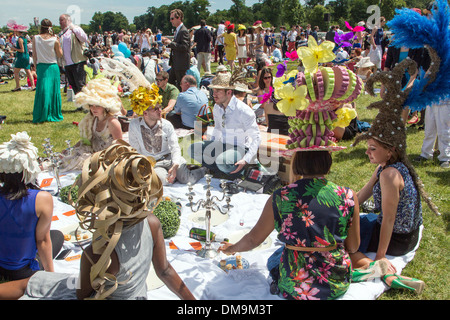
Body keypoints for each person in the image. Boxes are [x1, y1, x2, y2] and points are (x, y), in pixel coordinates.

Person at [0, 142, 196, 300]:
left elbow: (82, 293)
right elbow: (165, 270)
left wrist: (64, 279)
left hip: (97, 293)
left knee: (35, 282)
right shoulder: (151, 222)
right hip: (137, 295)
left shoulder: (98, 251)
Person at [219, 150, 361, 300]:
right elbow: (353, 247)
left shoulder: (281, 196)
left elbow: (253, 240)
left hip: (296, 285)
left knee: (275, 258)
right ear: (327, 161)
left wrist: (231, 249)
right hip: (335, 283)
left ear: (296, 162)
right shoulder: (348, 195)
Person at [0, 132, 63, 286]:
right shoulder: (42, 199)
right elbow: (42, 241)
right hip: (22, 271)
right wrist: (50, 276)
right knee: (57, 237)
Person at [128, 84, 206, 185]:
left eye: (159, 107)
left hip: (169, 158)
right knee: (163, 182)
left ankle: (202, 170)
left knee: (187, 180)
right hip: (154, 163)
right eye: (155, 109)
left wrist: (175, 164)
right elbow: (135, 150)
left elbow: (175, 147)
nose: (160, 111)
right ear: (145, 113)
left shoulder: (166, 124)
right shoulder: (134, 125)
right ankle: (178, 175)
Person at [188, 72, 261, 179]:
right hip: (222, 145)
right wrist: (211, 146)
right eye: (213, 90)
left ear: (229, 92)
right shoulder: (217, 107)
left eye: (218, 91)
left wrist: (246, 159)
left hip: (240, 148)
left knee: (222, 161)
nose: (214, 94)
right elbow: (217, 128)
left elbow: (257, 137)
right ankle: (218, 170)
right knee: (193, 149)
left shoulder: (244, 111)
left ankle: (237, 172)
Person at [58, 78, 123, 172]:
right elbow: (86, 140)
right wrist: (71, 148)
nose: (93, 108)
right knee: (69, 157)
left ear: (105, 105)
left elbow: (120, 147)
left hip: (108, 159)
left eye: (97, 106)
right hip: (92, 153)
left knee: (78, 161)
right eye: (91, 105)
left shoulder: (112, 122)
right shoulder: (92, 119)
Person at [32, 18, 64, 124]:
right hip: (52, 67)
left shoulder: (35, 38)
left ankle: (41, 113)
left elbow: (34, 54)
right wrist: (59, 44)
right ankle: (53, 112)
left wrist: (35, 68)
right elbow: (60, 55)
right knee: (53, 91)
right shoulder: (54, 39)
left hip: (41, 66)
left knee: (42, 91)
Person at [414, 98, 450, 168]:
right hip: (431, 100)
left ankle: (445, 157)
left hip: (445, 100)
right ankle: (426, 153)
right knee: (429, 129)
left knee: (444, 131)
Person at [59, 14, 88, 96]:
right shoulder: (62, 33)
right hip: (67, 63)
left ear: (68, 20)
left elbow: (84, 38)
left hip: (77, 61)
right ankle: (80, 104)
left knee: (80, 84)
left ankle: (86, 105)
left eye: (62, 20)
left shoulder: (75, 29)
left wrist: (73, 28)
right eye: (59, 20)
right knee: (73, 84)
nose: (60, 22)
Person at [257, 67, 289, 135]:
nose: (267, 79)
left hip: (274, 108)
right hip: (266, 109)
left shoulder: (276, 87)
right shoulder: (261, 91)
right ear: (262, 79)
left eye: (269, 77)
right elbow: (262, 105)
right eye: (265, 78)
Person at [164, 9, 190, 90]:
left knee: (180, 85)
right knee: (170, 84)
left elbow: (184, 47)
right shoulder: (178, 30)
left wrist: (170, 43)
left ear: (179, 18)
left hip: (181, 64)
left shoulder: (183, 31)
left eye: (172, 18)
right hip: (175, 63)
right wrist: (169, 43)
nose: (170, 21)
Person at [7, 21, 34, 92]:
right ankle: (33, 86)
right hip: (26, 56)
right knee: (28, 71)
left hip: (21, 56)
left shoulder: (19, 39)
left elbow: (21, 50)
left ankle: (17, 86)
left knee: (16, 71)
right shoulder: (24, 38)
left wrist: (14, 48)